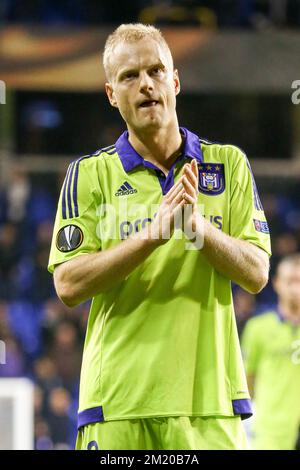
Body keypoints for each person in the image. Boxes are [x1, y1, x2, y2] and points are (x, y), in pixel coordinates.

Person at [48, 23, 271, 450]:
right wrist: (154, 234)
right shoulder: (89, 174)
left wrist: (197, 229)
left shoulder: (228, 165)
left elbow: (257, 272)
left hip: (209, 404)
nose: (146, 84)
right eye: (129, 76)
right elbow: (68, 284)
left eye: (156, 70)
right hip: (116, 405)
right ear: (112, 93)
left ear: (176, 80)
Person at [242, 253, 300, 450]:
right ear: (276, 283)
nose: (296, 289)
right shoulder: (258, 328)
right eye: (290, 281)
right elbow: (247, 379)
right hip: (268, 433)